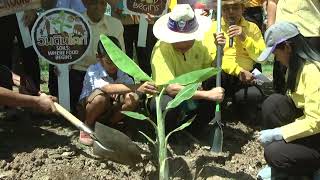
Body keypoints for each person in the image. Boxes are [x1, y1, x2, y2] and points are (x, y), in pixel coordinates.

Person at [256, 22, 320, 179]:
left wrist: (279, 133)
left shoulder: (312, 71)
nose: (276, 59)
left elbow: (316, 121)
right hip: (312, 133)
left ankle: (310, 169)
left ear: (288, 47)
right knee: (274, 103)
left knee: (274, 153)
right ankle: (286, 163)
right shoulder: (294, 68)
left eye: (276, 53)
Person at [150, 4, 225, 134]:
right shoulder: (161, 49)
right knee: (166, 104)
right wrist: (207, 95)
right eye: (178, 40)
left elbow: (210, 71)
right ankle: (169, 134)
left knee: (218, 82)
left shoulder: (199, 45)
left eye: (187, 40)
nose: (183, 44)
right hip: (167, 95)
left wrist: (220, 51)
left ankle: (193, 130)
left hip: (194, 92)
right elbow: (170, 88)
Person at [78, 37, 158, 145]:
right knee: (100, 98)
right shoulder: (93, 70)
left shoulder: (122, 71)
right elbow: (106, 88)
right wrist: (137, 86)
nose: (114, 66)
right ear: (98, 57)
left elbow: (131, 88)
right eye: (109, 62)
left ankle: (109, 126)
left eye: (116, 62)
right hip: (90, 109)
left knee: (133, 98)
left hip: (110, 111)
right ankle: (87, 126)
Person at [203, 0, 266, 123]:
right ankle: (210, 115)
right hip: (223, 74)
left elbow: (261, 57)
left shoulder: (252, 28)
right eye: (226, 8)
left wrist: (244, 38)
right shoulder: (213, 27)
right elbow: (210, 60)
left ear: (243, 9)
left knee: (253, 97)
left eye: (235, 7)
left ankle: (238, 108)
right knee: (211, 79)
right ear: (220, 10)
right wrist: (238, 70)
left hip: (246, 76)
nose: (230, 12)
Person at [66, 0, 125, 113]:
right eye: (93, 3)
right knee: (79, 107)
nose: (98, 7)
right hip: (80, 73)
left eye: (102, 3)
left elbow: (121, 57)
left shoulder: (116, 24)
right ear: (85, 3)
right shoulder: (73, 23)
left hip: (108, 73)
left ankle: (110, 121)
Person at [266, 0, 320, 94]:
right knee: (283, 86)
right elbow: (272, 2)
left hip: (311, 31)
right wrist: (271, 29)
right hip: (282, 33)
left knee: (313, 77)